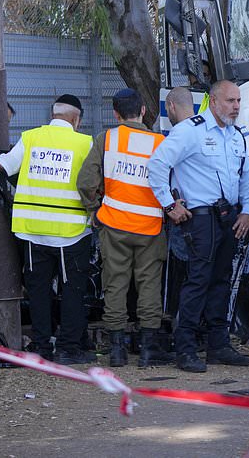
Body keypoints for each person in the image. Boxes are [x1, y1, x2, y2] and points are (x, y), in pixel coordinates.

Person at [0, 94, 95, 364]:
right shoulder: (85, 143)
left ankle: (42, 347)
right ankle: (68, 349)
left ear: (52, 116)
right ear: (76, 120)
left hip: (32, 231)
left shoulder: (30, 138)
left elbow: (2, 166)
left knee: (39, 292)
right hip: (70, 233)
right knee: (72, 291)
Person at [147, 81, 249, 373]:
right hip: (201, 216)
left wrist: (248, 210)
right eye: (231, 100)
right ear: (213, 101)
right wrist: (170, 205)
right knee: (199, 279)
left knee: (222, 279)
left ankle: (218, 344)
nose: (236, 106)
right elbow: (157, 165)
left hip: (230, 216)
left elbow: (246, 175)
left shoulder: (236, 136)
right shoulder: (190, 131)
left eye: (239, 101)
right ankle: (185, 348)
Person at [77, 89, 171, 368]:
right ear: (143, 110)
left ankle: (117, 351)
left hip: (114, 226)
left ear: (115, 114)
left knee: (115, 285)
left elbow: (85, 181)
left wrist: (93, 209)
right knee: (149, 286)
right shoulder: (160, 142)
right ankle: (147, 350)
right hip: (150, 228)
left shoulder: (106, 139)